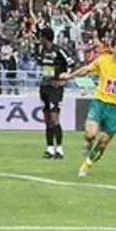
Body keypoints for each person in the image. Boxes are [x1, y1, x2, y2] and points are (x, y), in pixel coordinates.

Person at [59, 33, 116, 177]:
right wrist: (69, 76)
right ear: (112, 48)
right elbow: (86, 70)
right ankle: (88, 142)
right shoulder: (103, 61)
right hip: (99, 103)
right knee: (91, 133)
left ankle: (87, 164)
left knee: (102, 143)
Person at [36, 28, 76, 159]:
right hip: (45, 86)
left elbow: (72, 63)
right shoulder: (42, 51)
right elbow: (45, 68)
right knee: (47, 119)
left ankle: (59, 149)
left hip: (55, 88)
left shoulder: (59, 50)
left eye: (41, 37)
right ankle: (49, 149)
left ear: (45, 37)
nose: (39, 39)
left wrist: (65, 79)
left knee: (54, 118)